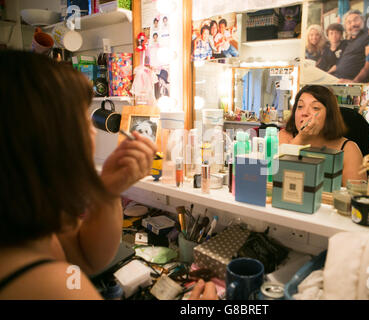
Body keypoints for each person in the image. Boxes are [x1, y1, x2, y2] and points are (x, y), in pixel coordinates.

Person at [0, 50, 217, 300]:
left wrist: (109, 191)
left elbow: (85, 256)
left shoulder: (28, 231)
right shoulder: (49, 287)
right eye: (83, 121)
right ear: (50, 142)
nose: (94, 134)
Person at [279, 85, 367, 186]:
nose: (305, 113)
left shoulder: (349, 149)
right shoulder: (284, 136)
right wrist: (300, 139)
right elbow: (275, 180)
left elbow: (356, 194)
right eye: (300, 106)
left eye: (315, 108)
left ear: (329, 115)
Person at [333, 10, 369, 81]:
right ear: (345, 27)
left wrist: (354, 82)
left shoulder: (368, 36)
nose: (353, 24)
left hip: (353, 83)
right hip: (337, 78)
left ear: (363, 21)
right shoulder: (349, 41)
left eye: (356, 20)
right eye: (349, 22)